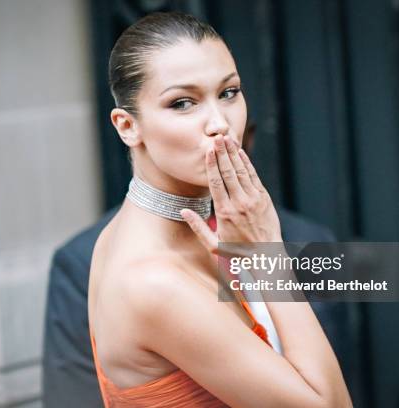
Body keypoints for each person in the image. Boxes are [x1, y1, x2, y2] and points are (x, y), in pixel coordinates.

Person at [45, 11, 352, 408]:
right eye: (182, 103)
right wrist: (267, 251)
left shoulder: (145, 236)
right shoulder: (153, 281)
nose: (219, 123)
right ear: (126, 126)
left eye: (229, 92)